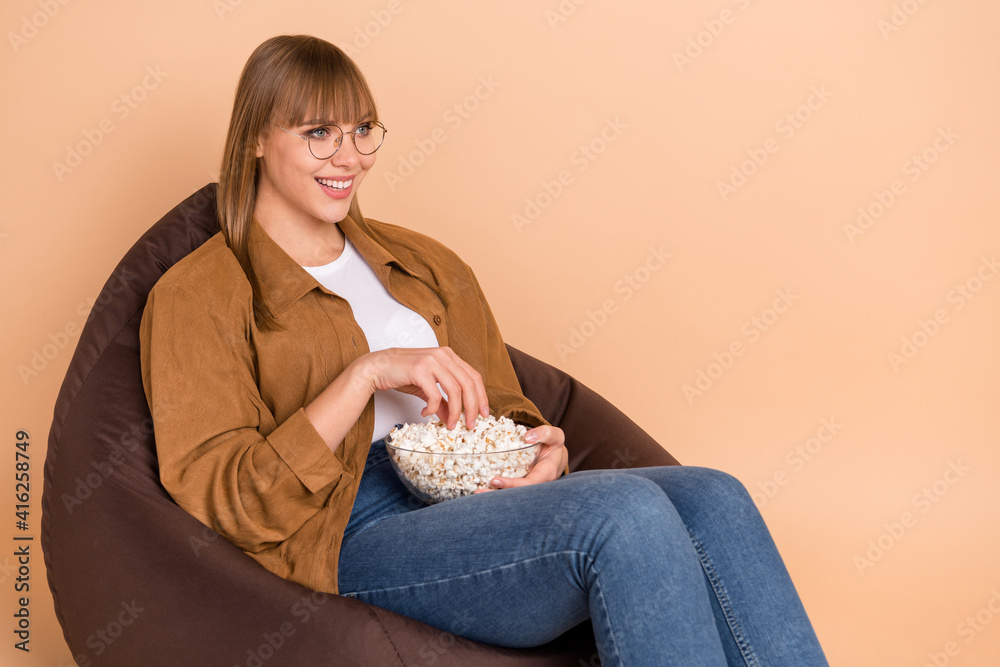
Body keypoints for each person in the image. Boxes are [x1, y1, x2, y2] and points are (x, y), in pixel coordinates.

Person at [139, 34, 829, 666]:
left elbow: (503, 404)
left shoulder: (426, 264)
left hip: (472, 497)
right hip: (348, 527)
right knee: (626, 511)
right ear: (258, 137)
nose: (348, 157)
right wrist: (368, 374)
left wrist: (541, 451)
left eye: (361, 131)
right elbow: (228, 499)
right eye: (318, 133)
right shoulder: (198, 293)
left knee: (713, 495)